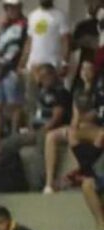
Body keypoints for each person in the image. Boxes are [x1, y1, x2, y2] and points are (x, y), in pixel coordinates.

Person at [44, 60, 104, 192]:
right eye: (82, 69)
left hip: (93, 128)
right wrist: (74, 125)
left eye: (88, 69)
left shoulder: (98, 89)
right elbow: (76, 116)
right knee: (52, 136)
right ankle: (49, 184)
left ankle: (81, 171)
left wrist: (89, 85)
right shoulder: (78, 90)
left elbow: (93, 116)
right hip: (79, 127)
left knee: (87, 133)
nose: (85, 72)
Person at [0, 0, 29, 147]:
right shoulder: (3, 24)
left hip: (12, 69)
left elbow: (28, 45)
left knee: (14, 105)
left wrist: (21, 66)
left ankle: (14, 136)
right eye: (9, 7)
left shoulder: (25, 24)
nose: (12, 10)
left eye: (15, 7)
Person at [19, 0, 71, 115]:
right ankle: (32, 128)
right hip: (34, 66)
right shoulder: (33, 15)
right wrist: (22, 61)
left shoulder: (60, 15)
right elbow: (29, 40)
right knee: (31, 100)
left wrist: (65, 63)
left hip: (52, 67)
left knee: (53, 100)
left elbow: (65, 40)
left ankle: (49, 128)